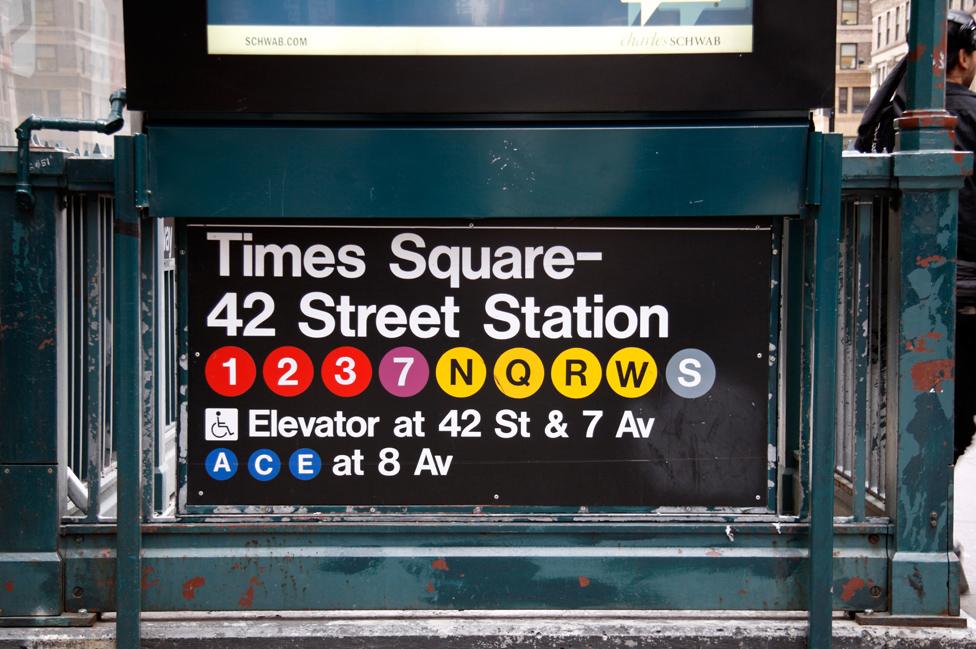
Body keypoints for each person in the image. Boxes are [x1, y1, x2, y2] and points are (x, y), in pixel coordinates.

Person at [945, 10, 976, 464]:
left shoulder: (894, 107)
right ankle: (926, 528)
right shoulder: (971, 111)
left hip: (897, 290)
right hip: (967, 288)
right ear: (965, 58)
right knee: (955, 416)